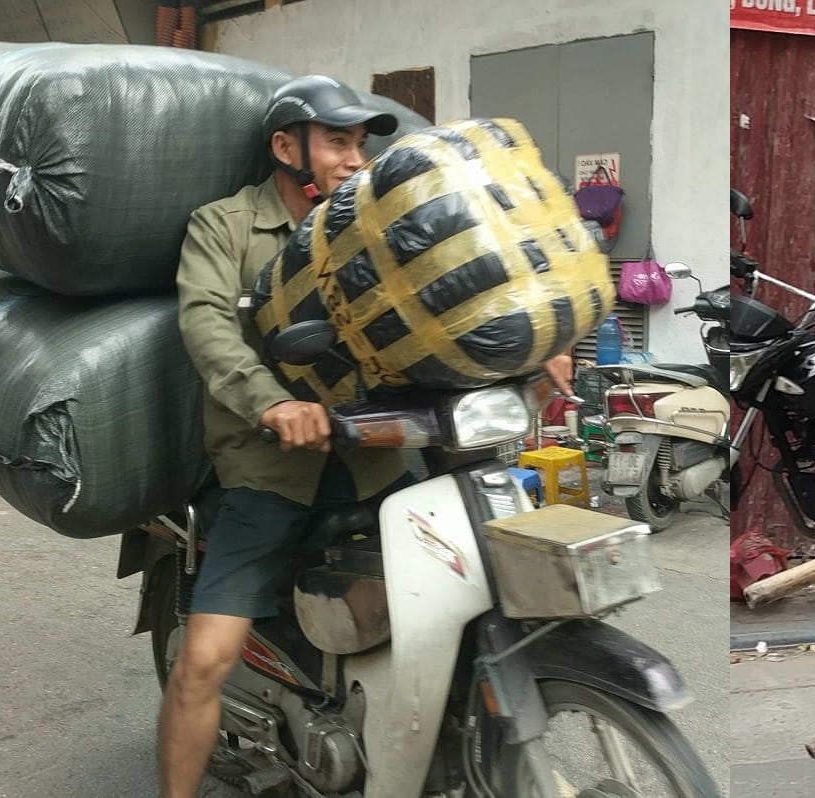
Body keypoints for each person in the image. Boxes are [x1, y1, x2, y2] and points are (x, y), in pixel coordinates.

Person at [155, 75, 573, 797]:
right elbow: (208, 328)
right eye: (337, 142)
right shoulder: (222, 226)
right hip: (269, 468)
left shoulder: (370, 229)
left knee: (470, 593)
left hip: (377, 457)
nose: (354, 159)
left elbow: (444, 306)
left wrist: (534, 348)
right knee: (204, 662)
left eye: (361, 144)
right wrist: (270, 404)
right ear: (286, 147)